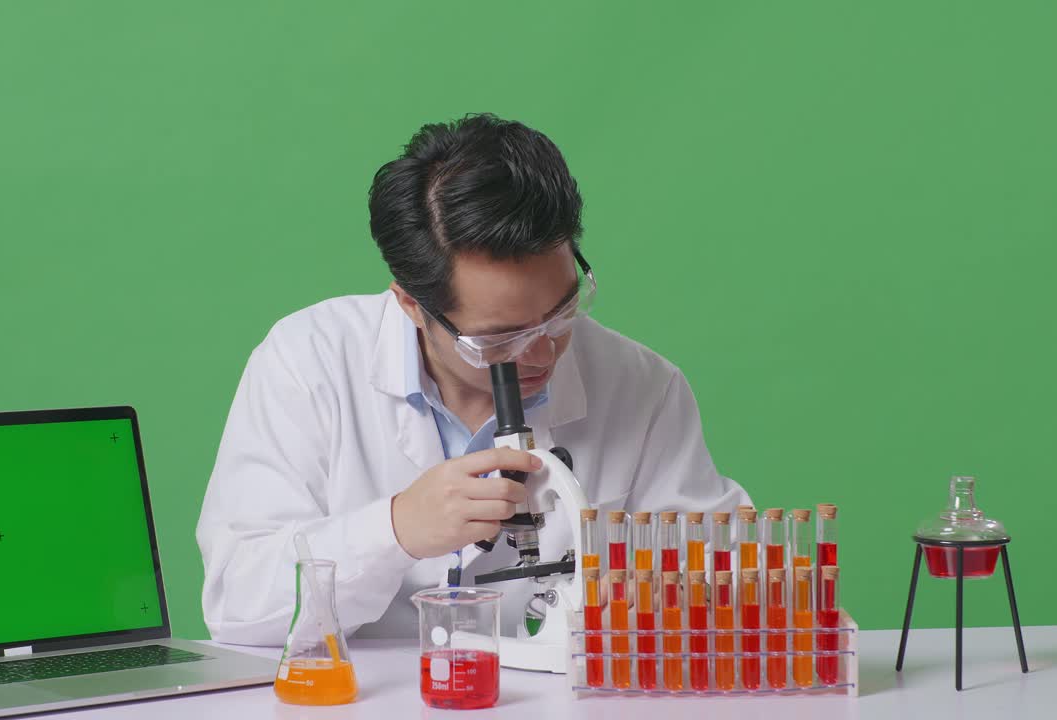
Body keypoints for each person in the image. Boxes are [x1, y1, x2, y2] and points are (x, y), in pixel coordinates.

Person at [197, 113, 751, 643]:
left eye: (562, 311)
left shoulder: (641, 386)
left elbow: (725, 574)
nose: (544, 352)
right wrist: (395, 530)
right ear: (412, 305)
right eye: (500, 338)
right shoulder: (309, 362)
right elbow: (238, 605)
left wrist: (663, 594)